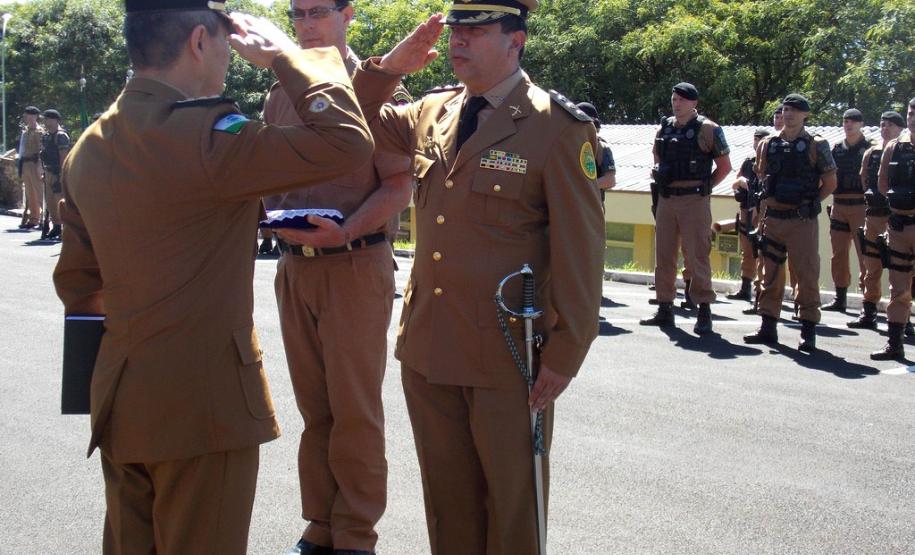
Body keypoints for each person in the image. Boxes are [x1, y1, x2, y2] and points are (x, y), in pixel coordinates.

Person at [50, 1, 430, 552]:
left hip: (121, 399)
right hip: (204, 404)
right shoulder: (211, 136)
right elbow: (345, 141)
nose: (231, 56)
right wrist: (283, 59)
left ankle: (349, 530)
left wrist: (101, 383)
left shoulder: (88, 147)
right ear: (200, 42)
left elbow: (79, 285)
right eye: (226, 44)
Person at [370, 1, 605, 552]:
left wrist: (566, 352)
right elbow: (350, 117)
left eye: (476, 30)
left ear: (516, 41)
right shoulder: (433, 110)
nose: (459, 40)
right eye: (456, 28)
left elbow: (581, 250)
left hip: (508, 354)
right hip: (429, 348)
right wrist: (389, 69)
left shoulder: (557, 127)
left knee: (513, 507)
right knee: (448, 508)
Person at [259, 1, 423, 553]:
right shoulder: (280, 93)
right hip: (294, 269)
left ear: (347, 15)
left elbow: (400, 185)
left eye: (317, 13)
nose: (305, 25)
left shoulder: (380, 91)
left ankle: (355, 531)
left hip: (354, 265)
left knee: (354, 408)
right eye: (296, 14)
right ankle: (321, 522)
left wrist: (346, 228)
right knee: (315, 408)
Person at [744, 94, 837, 351]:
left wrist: (813, 201)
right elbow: (762, 178)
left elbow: (830, 183)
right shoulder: (767, 144)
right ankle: (767, 327)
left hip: (801, 219)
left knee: (806, 273)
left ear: (805, 115)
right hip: (773, 217)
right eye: (785, 109)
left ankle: (808, 330)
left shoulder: (816, 145)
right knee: (769, 273)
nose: (789, 114)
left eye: (795, 110)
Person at [640, 82, 732, 334]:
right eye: (674, 98)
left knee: (697, 254)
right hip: (668, 198)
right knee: (664, 255)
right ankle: (664, 308)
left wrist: (706, 187)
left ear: (694, 103)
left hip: (694, 199)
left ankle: (703, 309)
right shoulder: (664, 128)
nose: (676, 103)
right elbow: (657, 158)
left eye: (681, 99)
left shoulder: (708, 129)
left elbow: (725, 167)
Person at [848, 110, 906, 329]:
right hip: (874, 216)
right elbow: (865, 180)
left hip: (898, 219)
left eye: (891, 125)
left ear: (901, 129)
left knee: (901, 270)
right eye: (883, 124)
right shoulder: (871, 153)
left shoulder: (905, 151)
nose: (886, 128)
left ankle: (902, 317)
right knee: (871, 266)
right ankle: (869, 312)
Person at [871, 97, 915, 360]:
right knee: (898, 288)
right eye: (910, 112)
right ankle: (894, 344)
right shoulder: (894, 148)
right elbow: (882, 184)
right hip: (898, 226)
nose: (912, 117)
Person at [823, 108, 873, 312]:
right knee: (839, 254)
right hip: (839, 204)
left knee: (865, 255)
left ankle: (867, 301)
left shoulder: (870, 148)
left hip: (861, 205)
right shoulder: (836, 148)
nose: (848, 124)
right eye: (845, 121)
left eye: (853, 121)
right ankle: (840, 298)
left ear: (861, 123)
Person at [728, 127, 769, 303]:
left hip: (763, 212)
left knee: (763, 253)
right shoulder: (748, 162)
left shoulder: (771, 163)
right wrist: (742, 182)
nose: (757, 142)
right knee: (747, 251)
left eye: (761, 139)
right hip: (746, 209)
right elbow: (734, 183)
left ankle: (762, 292)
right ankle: (745, 288)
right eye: (755, 139)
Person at [39, 109, 70, 240]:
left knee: (60, 201)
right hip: (48, 171)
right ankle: (56, 227)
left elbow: (64, 156)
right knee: (50, 202)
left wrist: (62, 174)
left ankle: (66, 229)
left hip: (58, 172)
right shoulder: (46, 136)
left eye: (47, 119)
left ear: (55, 120)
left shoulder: (61, 136)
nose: (45, 122)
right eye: (45, 119)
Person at [17, 106, 44, 230]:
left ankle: (43, 218)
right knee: (29, 193)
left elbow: (41, 150)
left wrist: (40, 165)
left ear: (35, 116)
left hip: (35, 163)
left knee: (39, 192)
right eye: (26, 115)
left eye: (30, 115)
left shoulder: (39, 131)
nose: (28, 118)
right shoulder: (25, 131)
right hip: (26, 163)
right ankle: (34, 218)